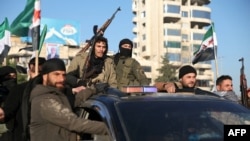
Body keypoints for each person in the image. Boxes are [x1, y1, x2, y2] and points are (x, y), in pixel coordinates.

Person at [29, 58, 107, 141]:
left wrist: (93, 89)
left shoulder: (57, 94)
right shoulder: (45, 101)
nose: (62, 79)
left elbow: (74, 100)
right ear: (45, 76)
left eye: (64, 75)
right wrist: (112, 127)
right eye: (56, 74)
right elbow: (74, 123)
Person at [0, 57, 46, 141]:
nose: (37, 76)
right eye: (34, 71)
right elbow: (9, 110)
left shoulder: (54, 91)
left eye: (40, 72)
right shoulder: (20, 89)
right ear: (29, 72)